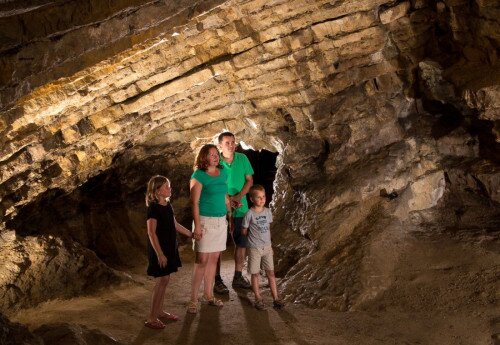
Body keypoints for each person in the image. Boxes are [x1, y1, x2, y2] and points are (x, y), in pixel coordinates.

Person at [187, 144, 232, 314]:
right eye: (211, 154)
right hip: (205, 221)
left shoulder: (224, 173)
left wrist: (229, 213)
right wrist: (197, 226)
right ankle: (193, 299)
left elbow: (225, 195)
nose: (215, 157)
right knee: (201, 261)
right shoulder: (198, 176)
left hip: (220, 221)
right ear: (203, 157)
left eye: (216, 154)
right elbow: (195, 202)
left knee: (214, 260)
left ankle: (208, 295)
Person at [144, 175, 193, 329]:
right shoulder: (153, 208)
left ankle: (159, 311)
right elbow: (151, 232)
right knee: (161, 281)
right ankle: (151, 317)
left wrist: (192, 234)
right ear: (157, 191)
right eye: (166, 186)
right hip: (160, 250)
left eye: (169, 186)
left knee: (165, 280)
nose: (169, 189)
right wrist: (159, 254)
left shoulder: (167, 205)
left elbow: (175, 224)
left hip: (169, 248)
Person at [214, 131, 254, 294]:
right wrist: (228, 199)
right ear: (220, 145)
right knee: (217, 245)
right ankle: (217, 279)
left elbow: (249, 180)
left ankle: (238, 276)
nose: (231, 145)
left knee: (242, 242)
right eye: (227, 142)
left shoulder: (243, 159)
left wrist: (238, 196)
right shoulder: (216, 161)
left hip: (241, 207)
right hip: (220, 209)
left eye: (233, 142)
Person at [242, 184, 284, 310]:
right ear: (251, 199)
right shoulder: (249, 214)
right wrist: (252, 237)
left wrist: (270, 245)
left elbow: (268, 229)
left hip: (267, 247)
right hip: (255, 248)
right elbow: (244, 231)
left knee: (270, 272)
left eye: (264, 196)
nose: (262, 199)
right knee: (255, 274)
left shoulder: (267, 212)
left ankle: (276, 298)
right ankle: (258, 298)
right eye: (258, 197)